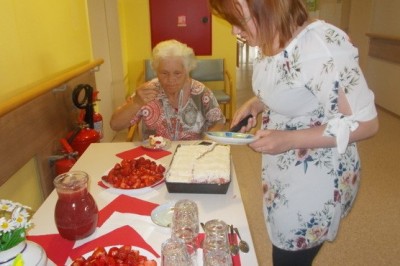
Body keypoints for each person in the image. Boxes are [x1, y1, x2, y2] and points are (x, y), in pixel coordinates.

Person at [208, 0, 379, 265]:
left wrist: (289, 140)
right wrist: (257, 103)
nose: (233, 31)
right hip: (285, 171)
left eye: (238, 21)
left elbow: (366, 123)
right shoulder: (272, 38)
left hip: (316, 178)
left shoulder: (322, 45)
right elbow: (292, 83)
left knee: (289, 256)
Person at [110, 39, 226, 140]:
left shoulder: (200, 92)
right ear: (156, 70)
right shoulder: (147, 91)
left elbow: (218, 122)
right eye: (164, 73)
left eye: (177, 73)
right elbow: (115, 125)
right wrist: (136, 103)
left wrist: (206, 142)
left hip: (191, 155)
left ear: (187, 70)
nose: (170, 80)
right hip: (155, 157)